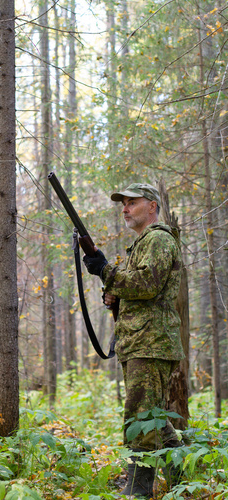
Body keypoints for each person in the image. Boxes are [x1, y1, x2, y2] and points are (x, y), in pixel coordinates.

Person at [83, 183, 185, 499]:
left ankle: (138, 491)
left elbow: (146, 284)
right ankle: (183, 481)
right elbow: (137, 289)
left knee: (140, 419)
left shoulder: (157, 239)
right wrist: (114, 293)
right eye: (123, 203)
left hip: (151, 343)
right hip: (142, 342)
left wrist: (106, 272)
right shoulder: (142, 243)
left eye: (132, 202)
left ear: (151, 206)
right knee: (153, 418)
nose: (125, 208)